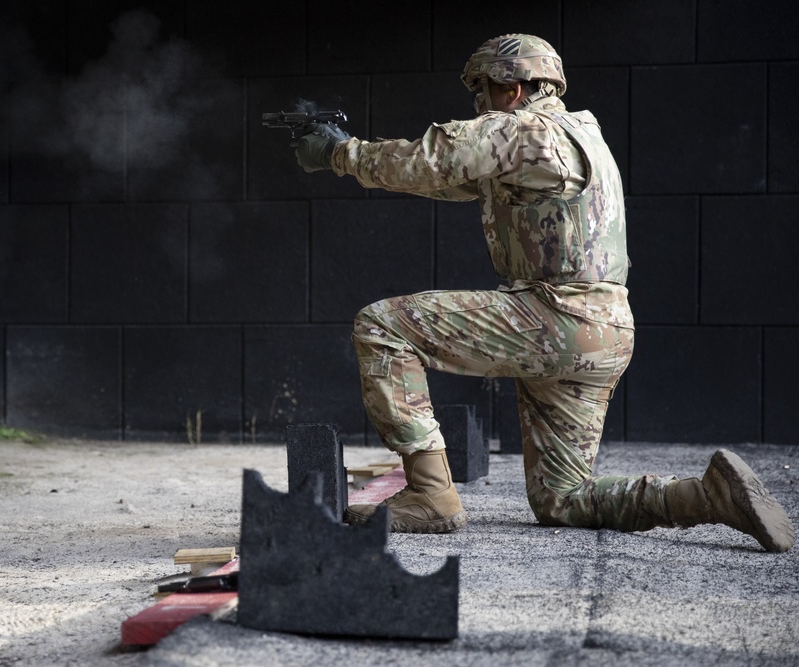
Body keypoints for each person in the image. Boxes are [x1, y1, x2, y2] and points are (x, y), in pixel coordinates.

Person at [293, 34, 795, 552]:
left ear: (511, 88)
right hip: (605, 330)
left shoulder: (523, 130)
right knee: (563, 498)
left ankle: (430, 493)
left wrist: (338, 153)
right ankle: (706, 496)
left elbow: (430, 161)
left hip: (555, 318)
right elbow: (446, 180)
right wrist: (354, 158)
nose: (476, 106)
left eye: (481, 92)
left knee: (381, 325)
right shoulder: (577, 136)